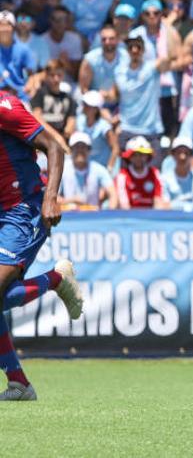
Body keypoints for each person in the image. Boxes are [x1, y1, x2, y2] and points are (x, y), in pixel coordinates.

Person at [0, 87, 82, 400]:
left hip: (25, 210)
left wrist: (51, 199)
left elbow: (54, 147)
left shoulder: (5, 106)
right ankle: (19, 384)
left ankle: (56, 279)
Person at [129, 0, 184, 140]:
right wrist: (154, 68)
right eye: (148, 13)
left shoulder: (171, 33)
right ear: (142, 16)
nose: (152, 16)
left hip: (167, 90)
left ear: (161, 14)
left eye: (156, 13)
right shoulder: (135, 35)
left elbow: (182, 60)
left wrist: (165, 66)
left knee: (168, 129)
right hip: (144, 89)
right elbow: (130, 62)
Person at [113, 36, 173, 163]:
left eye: (138, 47)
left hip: (151, 131)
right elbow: (114, 94)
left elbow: (169, 59)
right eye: (131, 47)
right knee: (126, 177)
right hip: (127, 130)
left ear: (144, 50)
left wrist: (166, 24)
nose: (135, 50)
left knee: (154, 175)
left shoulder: (152, 69)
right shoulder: (119, 72)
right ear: (127, 51)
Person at [59, 131, 117, 210]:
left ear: (89, 150)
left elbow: (113, 194)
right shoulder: (62, 168)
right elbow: (53, 197)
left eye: (83, 147)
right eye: (76, 147)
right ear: (71, 150)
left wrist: (110, 213)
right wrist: (71, 200)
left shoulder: (99, 169)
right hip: (69, 216)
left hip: (92, 217)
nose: (80, 151)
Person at [114, 135, 168, 209]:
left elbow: (158, 200)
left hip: (152, 216)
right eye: (135, 155)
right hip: (129, 217)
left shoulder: (155, 173)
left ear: (147, 156)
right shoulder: (122, 176)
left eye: (142, 155)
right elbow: (124, 205)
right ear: (129, 157)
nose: (138, 158)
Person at [79, 24, 128, 103]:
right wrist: (98, 102)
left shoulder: (127, 58)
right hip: (96, 104)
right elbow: (84, 89)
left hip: (122, 103)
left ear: (118, 39)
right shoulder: (90, 59)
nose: (107, 42)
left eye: (111, 39)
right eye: (104, 39)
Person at [31, 59, 76, 138]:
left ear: (63, 75)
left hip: (62, 138)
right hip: (44, 138)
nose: (56, 79)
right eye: (52, 75)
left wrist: (67, 131)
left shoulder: (68, 98)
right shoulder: (40, 94)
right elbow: (37, 117)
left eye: (59, 75)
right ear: (46, 75)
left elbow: (71, 120)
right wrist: (55, 135)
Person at [161, 136, 193, 211]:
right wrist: (184, 207)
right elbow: (163, 205)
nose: (182, 157)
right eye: (179, 152)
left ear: (191, 156)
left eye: (186, 153)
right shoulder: (164, 179)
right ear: (173, 155)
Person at [0, 10, 37, 102]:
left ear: (13, 27)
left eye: (8, 25)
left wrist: (30, 87)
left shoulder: (23, 49)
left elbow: (32, 75)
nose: (4, 28)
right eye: (1, 25)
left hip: (18, 97)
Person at [75, 90, 116, 168]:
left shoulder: (104, 126)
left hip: (102, 167)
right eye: (84, 104)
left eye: (88, 105)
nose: (84, 107)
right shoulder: (79, 121)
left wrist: (110, 168)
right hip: (84, 168)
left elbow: (115, 148)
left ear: (96, 109)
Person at [41, 6, 82, 80]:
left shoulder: (75, 39)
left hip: (69, 83)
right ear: (50, 21)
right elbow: (40, 72)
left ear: (67, 22)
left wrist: (66, 64)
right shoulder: (41, 40)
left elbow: (76, 75)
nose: (58, 23)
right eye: (55, 19)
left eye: (62, 20)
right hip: (48, 82)